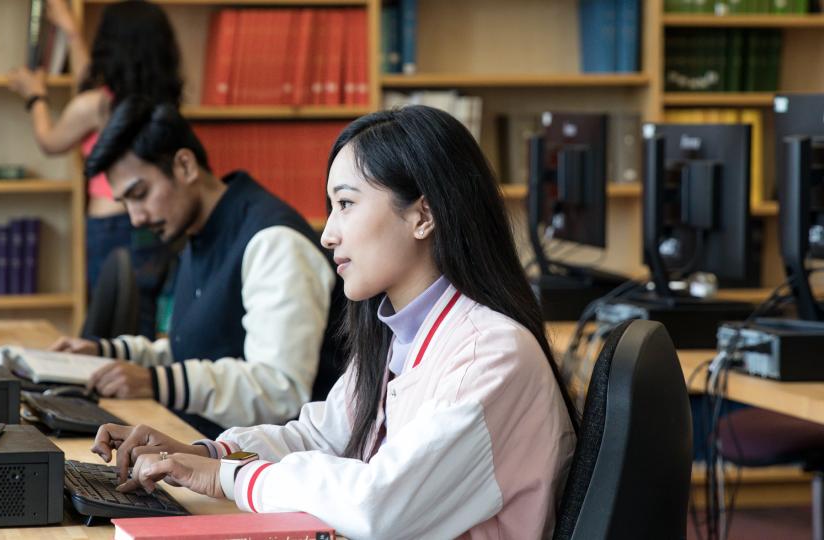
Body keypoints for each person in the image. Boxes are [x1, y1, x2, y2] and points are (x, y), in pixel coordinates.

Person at [90, 105, 578, 539]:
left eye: (345, 204)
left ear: (423, 216)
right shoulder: (399, 337)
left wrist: (229, 479)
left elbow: (379, 508)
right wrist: (211, 454)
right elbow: (318, 435)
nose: (326, 234)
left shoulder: (489, 354)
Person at [50, 97, 343, 439]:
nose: (135, 217)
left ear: (185, 166)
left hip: (265, 470)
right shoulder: (197, 230)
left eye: (141, 193)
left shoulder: (274, 242)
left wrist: (157, 382)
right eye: (126, 202)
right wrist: (107, 353)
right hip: (214, 449)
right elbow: (196, 347)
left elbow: (280, 391)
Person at [8, 0, 183, 336]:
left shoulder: (96, 106)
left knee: (110, 323)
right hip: (155, 223)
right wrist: (72, 33)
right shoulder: (161, 100)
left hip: (111, 224)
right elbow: (85, 89)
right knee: (141, 319)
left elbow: (51, 141)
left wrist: (35, 97)